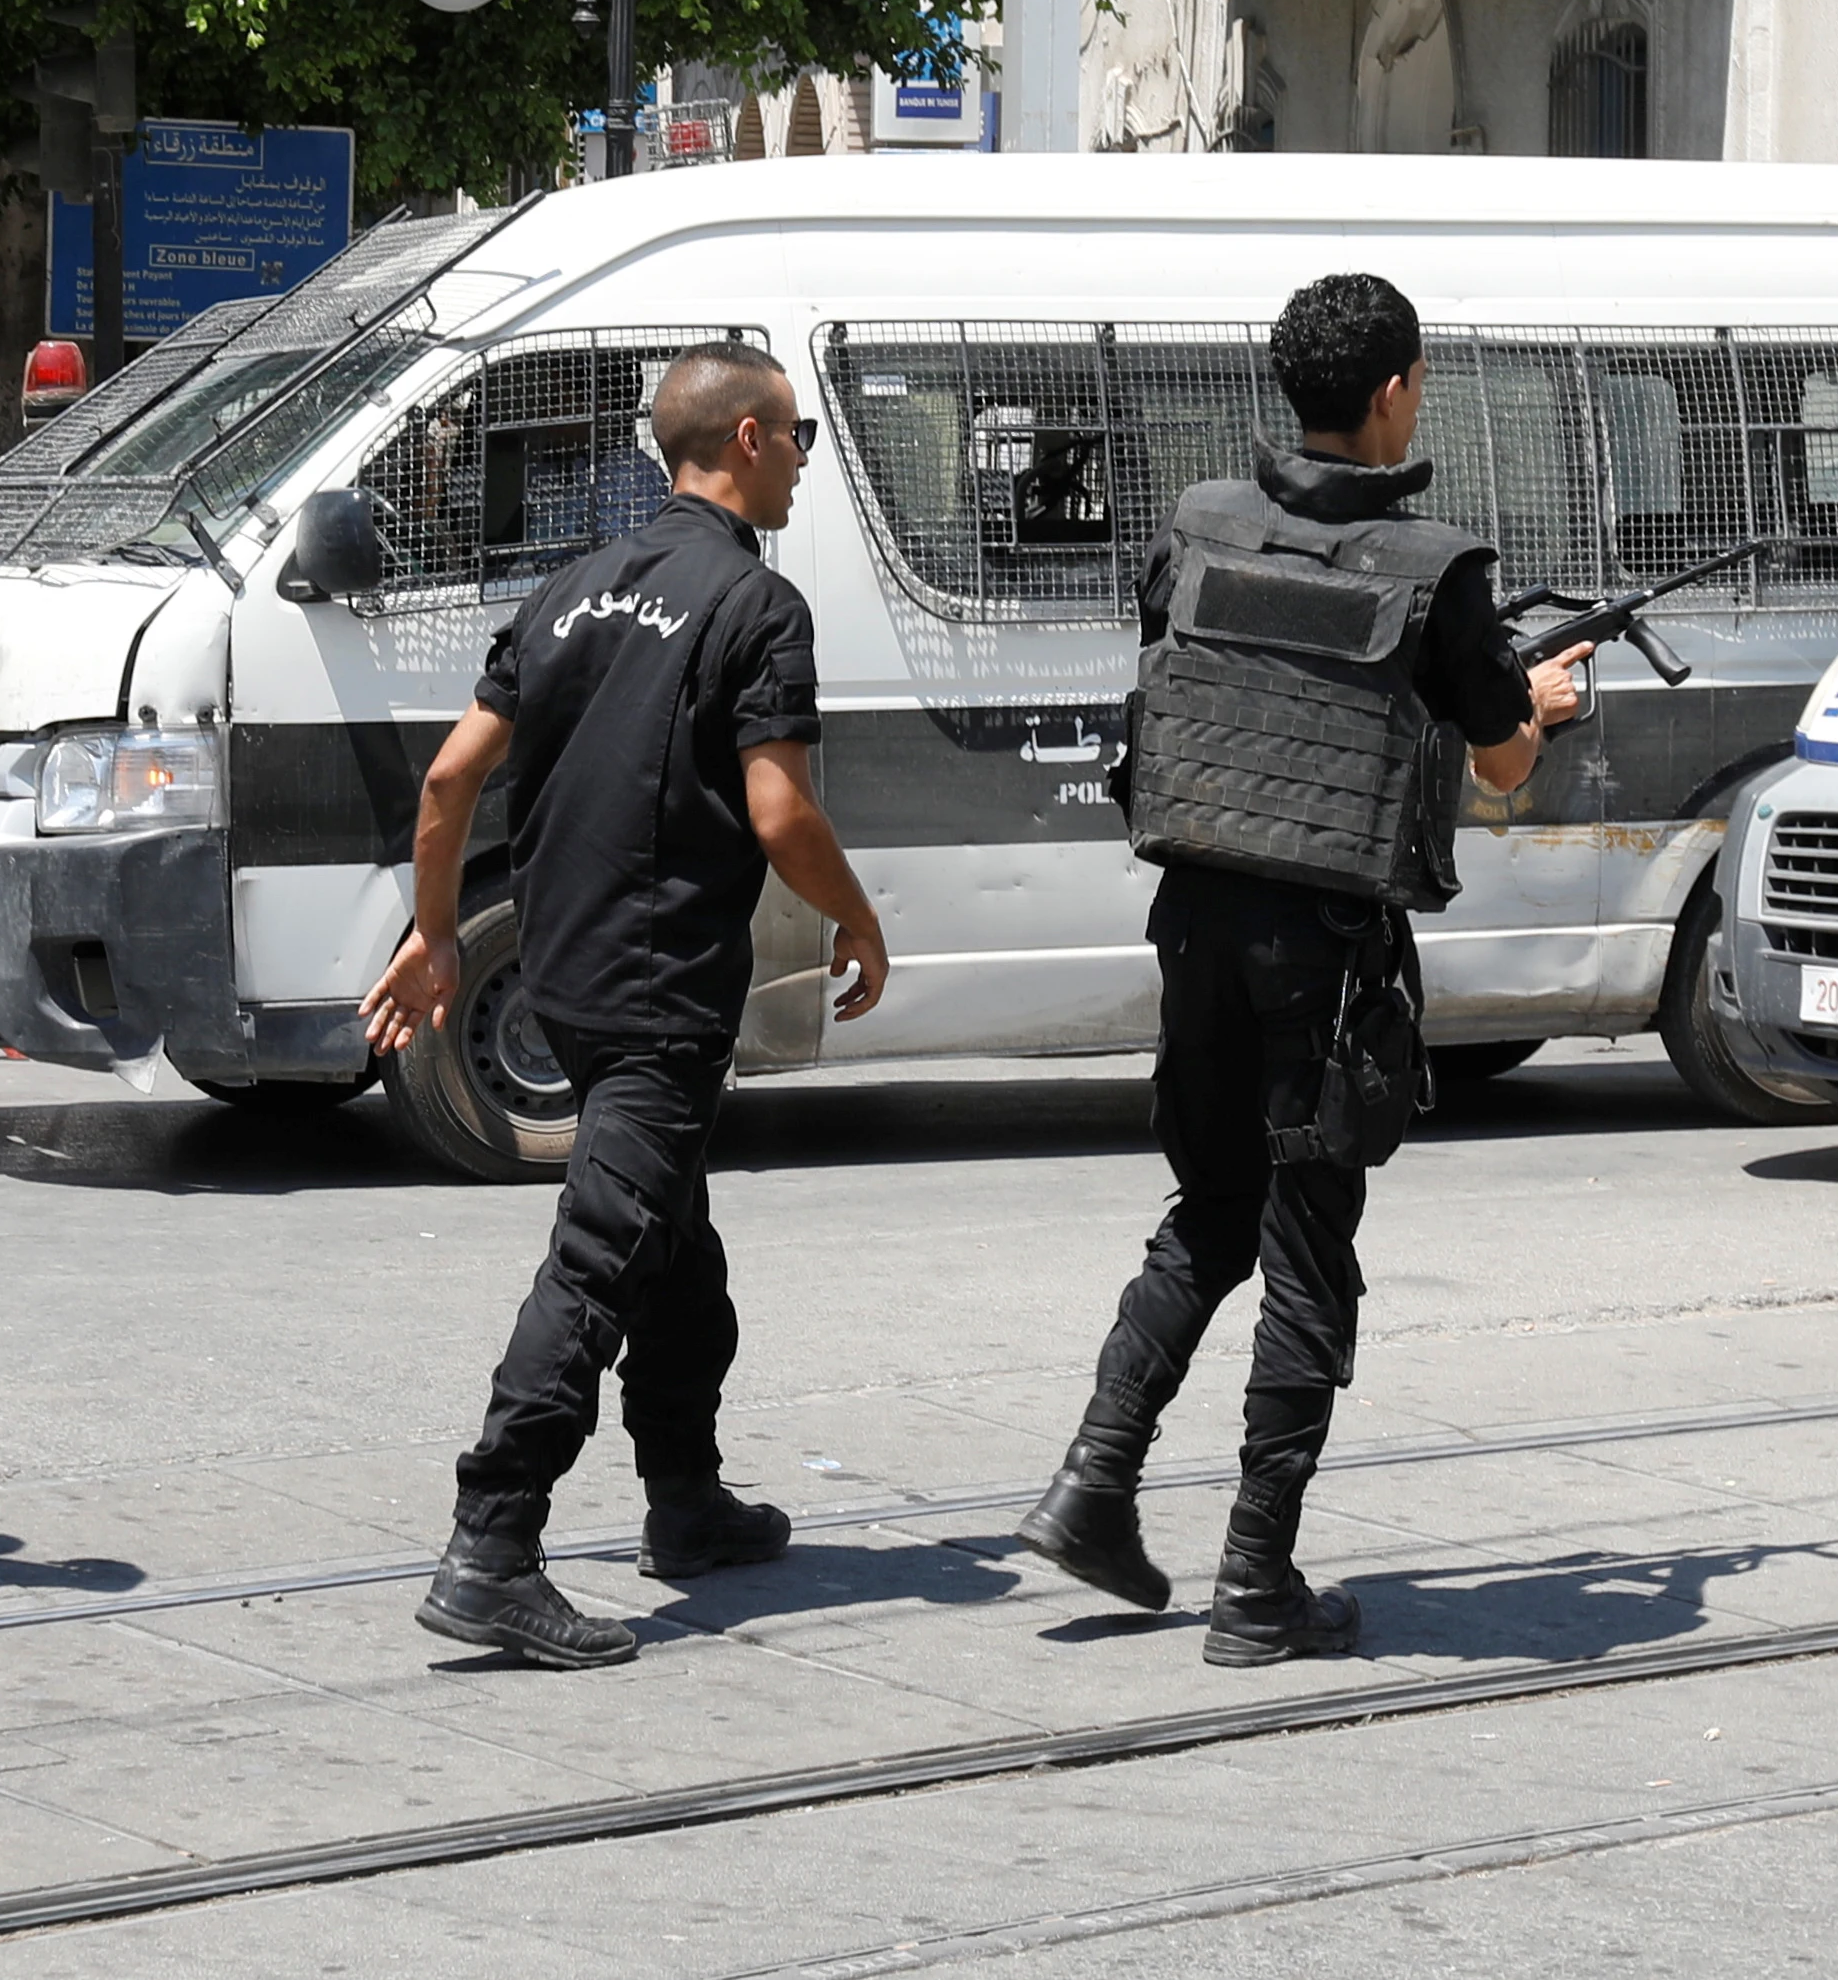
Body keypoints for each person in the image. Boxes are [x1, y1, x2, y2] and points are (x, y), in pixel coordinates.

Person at [1012, 275, 1584, 1666]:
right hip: (1324, 957)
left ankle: (1092, 1482)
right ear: (1392, 390)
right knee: (1308, 1253)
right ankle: (1254, 1583)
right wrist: (1543, 699)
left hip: (1196, 921)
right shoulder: (1435, 567)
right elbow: (1499, 760)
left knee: (1208, 1207)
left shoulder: (1201, 522)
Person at [363, 343, 886, 1672]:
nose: (805, 465)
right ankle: (492, 1538)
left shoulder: (567, 593)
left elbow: (445, 784)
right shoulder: (755, 606)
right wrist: (858, 914)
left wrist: (435, 939)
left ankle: (687, 1498)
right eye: (803, 439)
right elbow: (780, 809)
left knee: (673, 1252)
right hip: (661, 989)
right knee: (601, 1254)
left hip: (565, 974)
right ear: (753, 441)